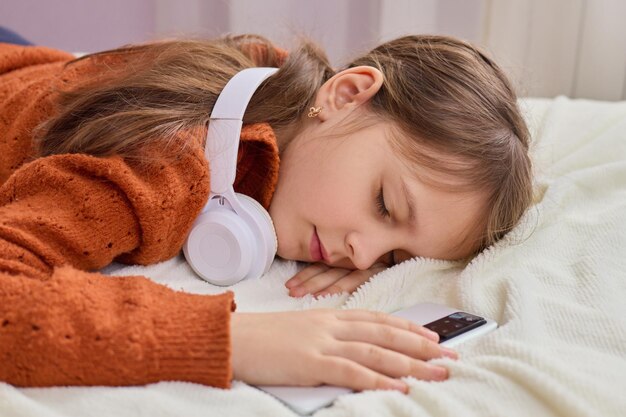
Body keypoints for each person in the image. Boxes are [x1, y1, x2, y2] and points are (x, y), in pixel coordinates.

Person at [0, 29, 532, 394]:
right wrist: (237, 341)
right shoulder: (161, 166)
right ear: (347, 93)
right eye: (384, 205)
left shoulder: (278, 90)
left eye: (394, 255)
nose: (361, 250)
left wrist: (375, 244)